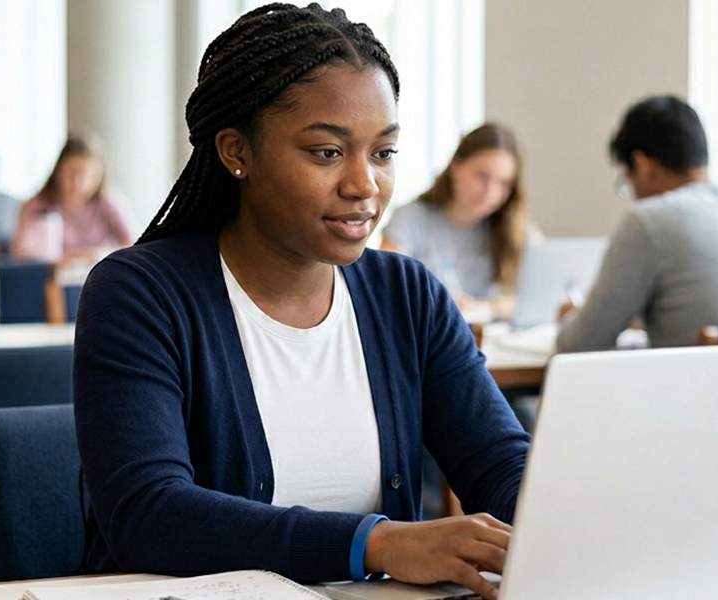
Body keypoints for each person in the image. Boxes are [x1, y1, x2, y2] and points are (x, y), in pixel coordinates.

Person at [72, 5, 528, 600]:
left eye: (383, 153)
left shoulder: (407, 295)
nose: (364, 185)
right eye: (327, 153)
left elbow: (498, 463)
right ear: (238, 151)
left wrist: (556, 518)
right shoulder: (140, 294)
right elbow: (151, 514)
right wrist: (379, 543)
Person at [555, 95, 718, 352]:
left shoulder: (647, 221)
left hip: (704, 388)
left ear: (643, 166)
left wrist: (569, 317)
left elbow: (578, 344)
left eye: (627, 180)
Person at [381, 123, 531, 321]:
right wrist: (436, 301)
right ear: (456, 166)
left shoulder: (513, 230)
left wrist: (485, 308)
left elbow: (535, 299)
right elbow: (385, 283)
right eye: (481, 176)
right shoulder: (411, 219)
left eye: (503, 183)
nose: (490, 192)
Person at [10, 134, 135, 263]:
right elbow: (21, 253)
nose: (79, 183)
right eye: (71, 173)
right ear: (58, 171)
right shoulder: (36, 206)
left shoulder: (108, 202)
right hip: (51, 278)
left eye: (90, 176)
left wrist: (92, 255)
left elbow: (132, 243)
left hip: (99, 274)